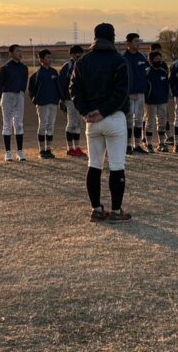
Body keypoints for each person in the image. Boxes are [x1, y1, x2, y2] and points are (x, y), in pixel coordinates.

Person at [69, 23, 132, 222]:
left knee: (94, 164)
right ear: (112, 38)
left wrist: (87, 111)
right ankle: (115, 211)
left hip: (91, 120)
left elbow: (74, 89)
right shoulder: (119, 61)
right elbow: (121, 93)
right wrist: (103, 111)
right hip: (113, 118)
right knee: (116, 165)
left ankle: (96, 209)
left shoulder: (82, 61)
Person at [0, 44, 29, 162]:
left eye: (21, 51)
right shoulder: (5, 68)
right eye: (17, 51)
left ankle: (20, 151)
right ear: (10, 53)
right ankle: (8, 152)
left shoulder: (24, 68)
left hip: (19, 94)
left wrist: (20, 93)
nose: (20, 53)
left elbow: (24, 83)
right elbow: (0, 85)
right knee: (7, 123)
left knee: (19, 123)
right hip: (7, 95)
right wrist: (4, 96)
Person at [28, 49, 61, 159]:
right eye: (47, 57)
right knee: (43, 125)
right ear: (41, 60)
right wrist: (34, 99)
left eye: (50, 57)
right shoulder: (38, 74)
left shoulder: (54, 72)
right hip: (42, 103)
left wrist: (59, 99)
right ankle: (42, 150)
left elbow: (58, 87)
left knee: (50, 125)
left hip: (53, 102)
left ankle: (49, 149)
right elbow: (31, 88)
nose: (49, 59)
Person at [122, 33, 150, 154]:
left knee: (139, 119)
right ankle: (128, 145)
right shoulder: (123, 58)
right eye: (135, 41)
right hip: (128, 93)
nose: (138, 43)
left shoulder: (142, 57)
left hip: (140, 92)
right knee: (128, 119)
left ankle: (137, 144)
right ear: (128, 43)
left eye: (139, 41)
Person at [59, 45, 87, 157]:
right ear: (71, 54)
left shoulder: (83, 65)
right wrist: (62, 99)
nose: (78, 55)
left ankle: (77, 147)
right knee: (71, 123)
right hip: (69, 99)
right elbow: (61, 84)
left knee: (79, 123)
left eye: (80, 53)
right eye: (76, 53)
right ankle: (70, 148)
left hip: (80, 99)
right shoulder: (67, 66)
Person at [145, 50, 171, 152]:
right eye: (156, 59)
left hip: (162, 101)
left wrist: (165, 98)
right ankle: (149, 144)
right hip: (150, 102)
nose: (158, 60)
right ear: (151, 60)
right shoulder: (147, 72)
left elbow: (166, 87)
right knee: (150, 123)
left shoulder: (163, 72)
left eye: (159, 58)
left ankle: (162, 143)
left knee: (162, 122)